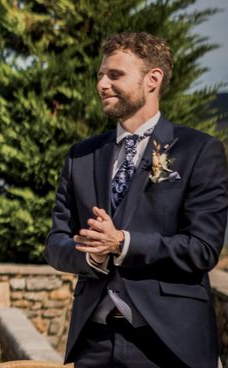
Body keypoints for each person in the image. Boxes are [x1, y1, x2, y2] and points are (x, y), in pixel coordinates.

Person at [45, 32, 228, 367]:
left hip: (170, 342)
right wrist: (92, 257)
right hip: (95, 341)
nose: (102, 84)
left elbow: (202, 249)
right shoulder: (81, 156)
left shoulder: (199, 151)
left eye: (115, 75)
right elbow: (56, 242)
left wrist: (123, 243)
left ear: (152, 79)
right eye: (100, 75)